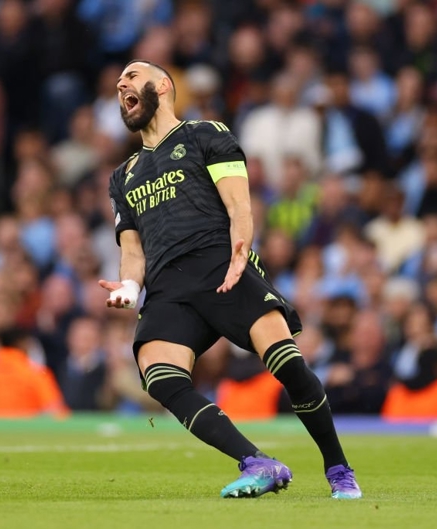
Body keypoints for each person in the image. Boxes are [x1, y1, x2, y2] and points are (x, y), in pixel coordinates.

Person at [99, 60, 362, 499]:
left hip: (221, 264)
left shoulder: (206, 135)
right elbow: (132, 251)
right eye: (118, 82)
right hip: (168, 288)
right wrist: (129, 287)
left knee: (287, 364)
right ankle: (258, 462)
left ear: (163, 86)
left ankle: (338, 468)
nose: (120, 83)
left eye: (131, 75)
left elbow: (239, 205)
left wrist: (241, 249)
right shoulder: (122, 176)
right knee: (160, 376)